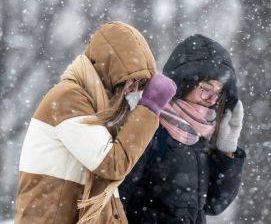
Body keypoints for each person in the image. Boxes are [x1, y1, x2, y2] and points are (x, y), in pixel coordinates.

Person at [14, 21, 176, 224]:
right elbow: (112, 163)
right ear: (110, 70)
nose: (132, 89)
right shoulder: (69, 99)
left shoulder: (100, 110)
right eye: (131, 80)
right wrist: (149, 108)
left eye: (140, 84)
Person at [119, 34, 246, 223]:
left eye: (218, 93)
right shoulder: (151, 126)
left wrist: (227, 149)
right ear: (184, 83)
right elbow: (119, 196)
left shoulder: (200, 136)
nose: (212, 100)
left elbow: (214, 204)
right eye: (206, 89)